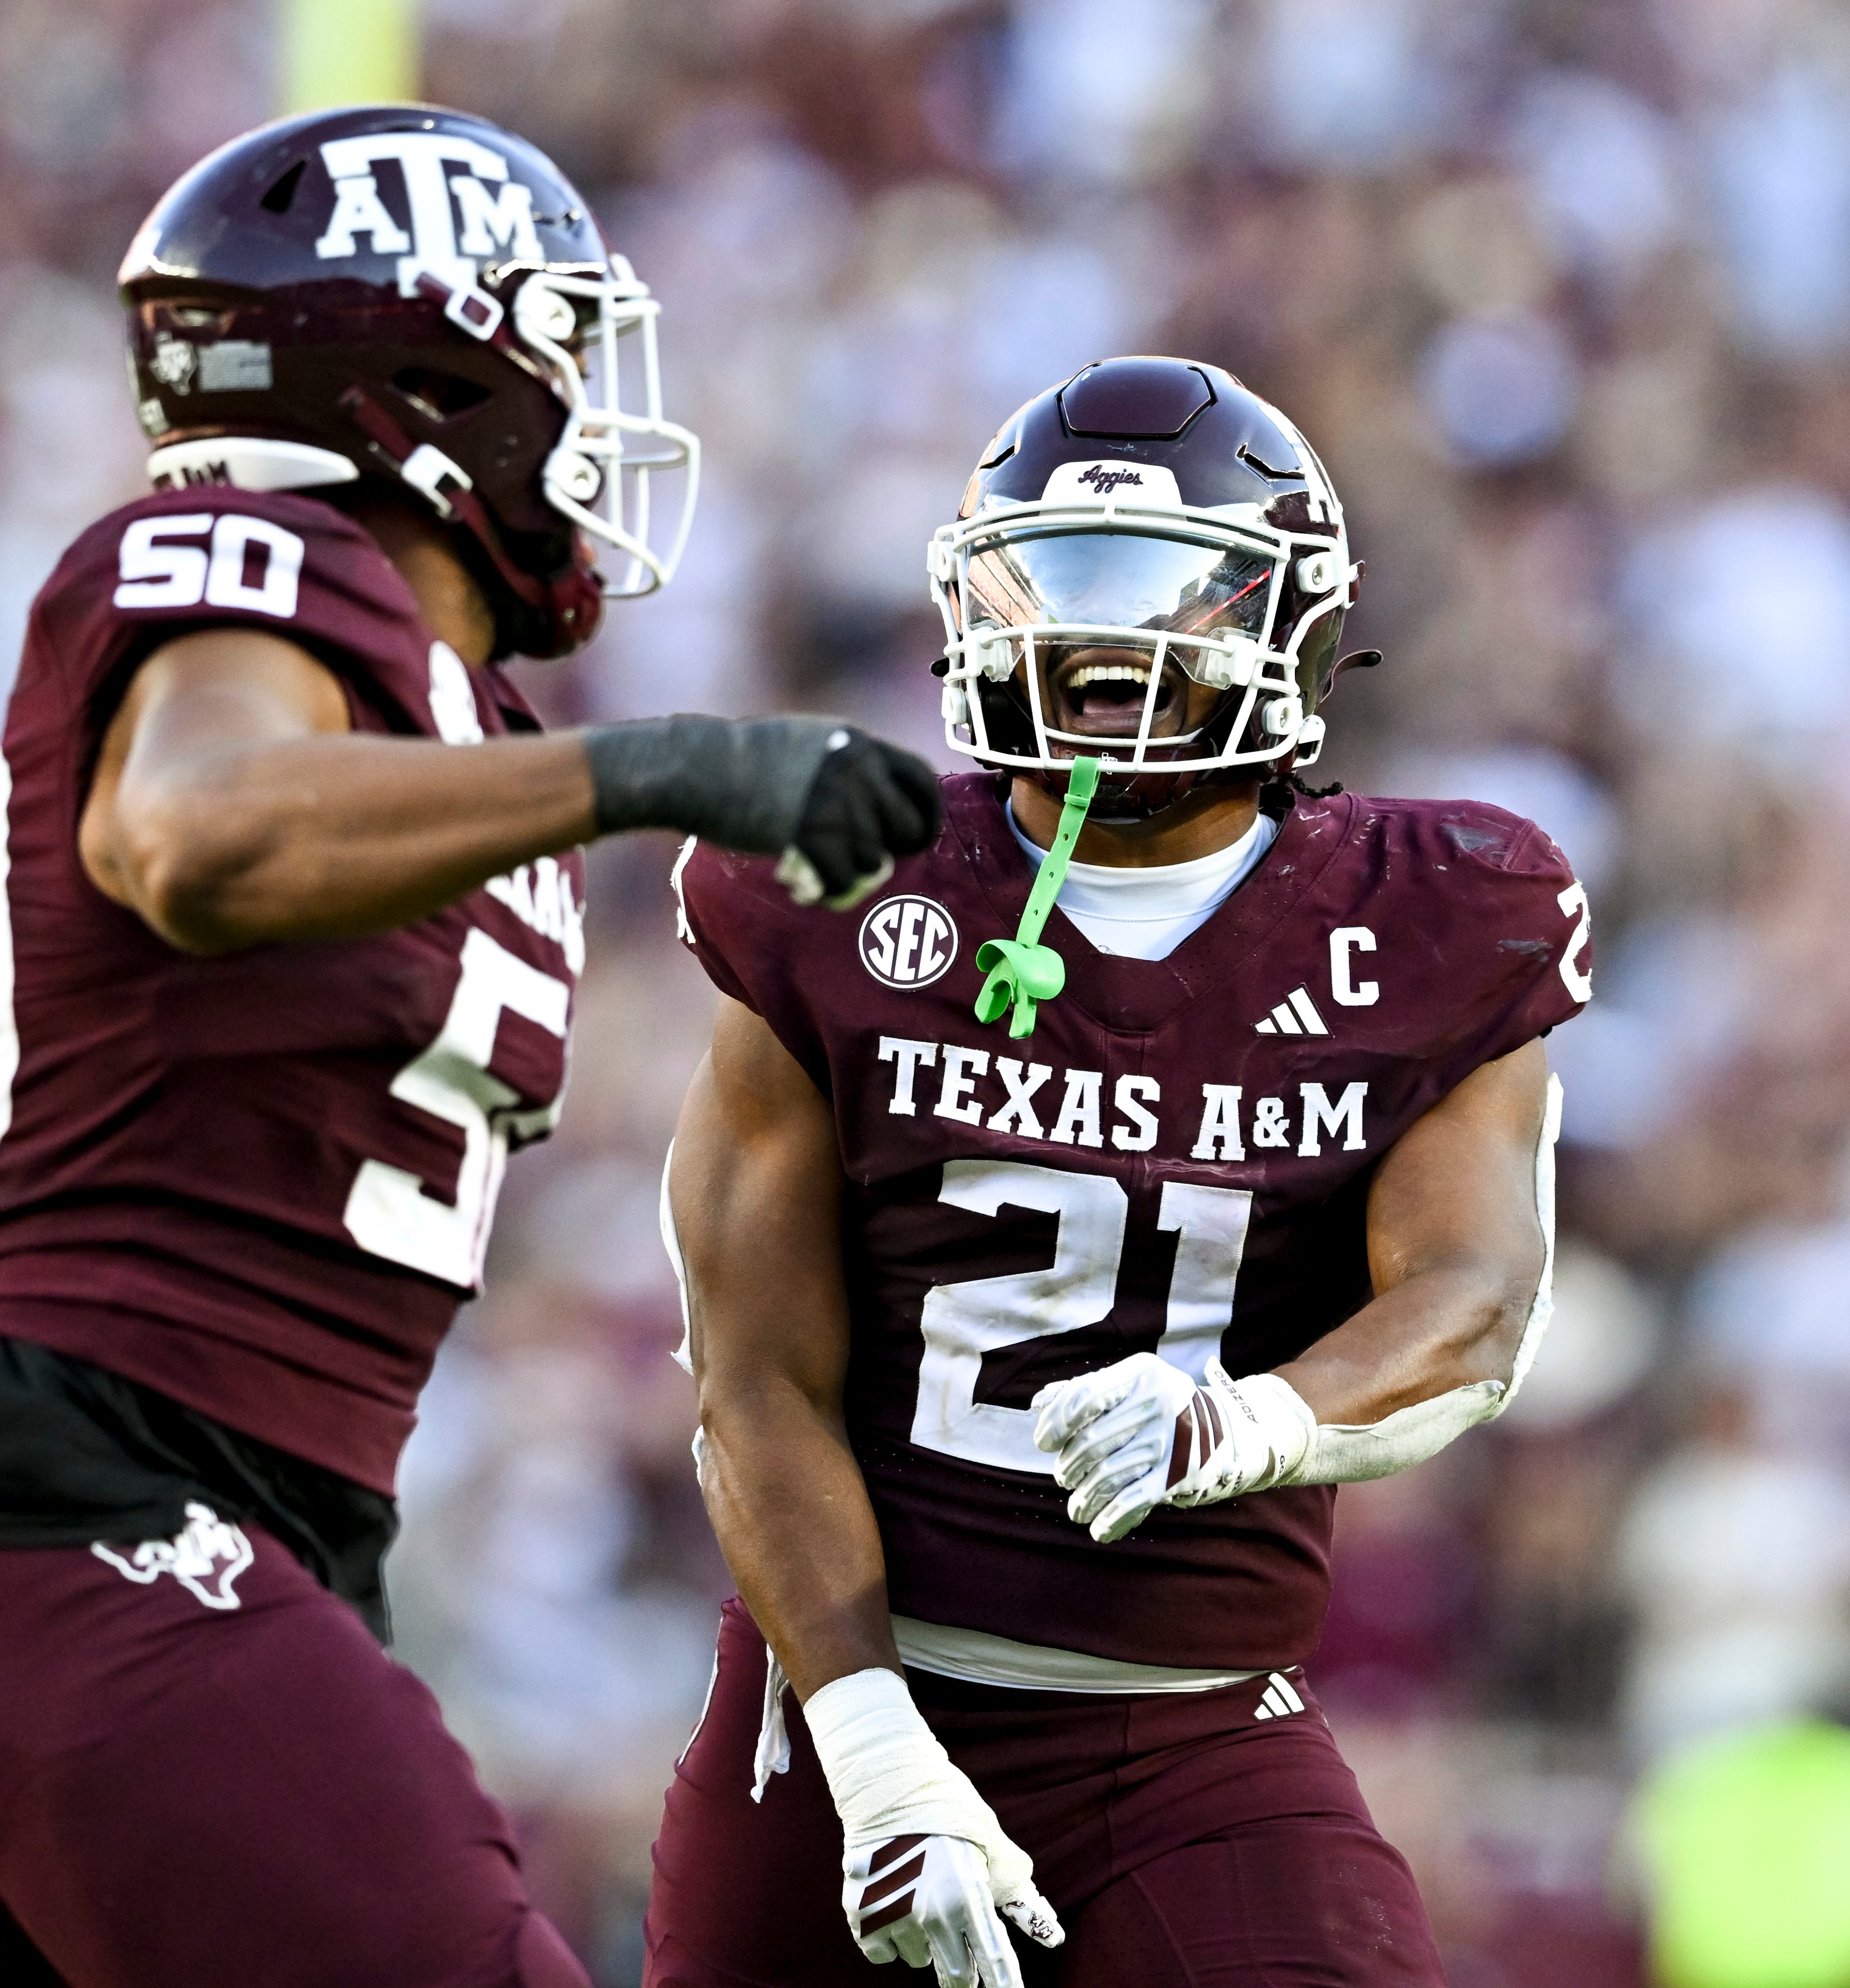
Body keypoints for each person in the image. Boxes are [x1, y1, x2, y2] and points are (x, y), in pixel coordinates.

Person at [0, 105, 940, 1988]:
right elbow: (190, 833)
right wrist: (643, 771)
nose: (586, 420)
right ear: (420, 381)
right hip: (97, 1503)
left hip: (183, 1532)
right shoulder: (261, 561)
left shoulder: (451, 728)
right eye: (552, 356)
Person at [646, 356, 1595, 1987]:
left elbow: (1473, 1300)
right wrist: (877, 1755)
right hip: (837, 1706)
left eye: (1170, 595)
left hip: (1189, 1731)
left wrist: (1247, 1418)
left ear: (1293, 625)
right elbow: (752, 1381)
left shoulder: (1434, 914)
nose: (1107, 644)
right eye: (1057, 584)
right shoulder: (839, 882)